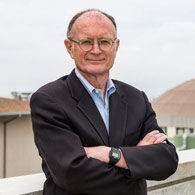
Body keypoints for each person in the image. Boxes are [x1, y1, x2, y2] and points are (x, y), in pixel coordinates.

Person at [30, 9, 178, 195]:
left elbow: (167, 160)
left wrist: (110, 153)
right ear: (70, 48)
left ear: (116, 46)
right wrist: (135, 160)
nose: (96, 50)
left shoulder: (136, 98)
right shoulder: (49, 100)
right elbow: (72, 175)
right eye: (86, 42)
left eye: (104, 42)